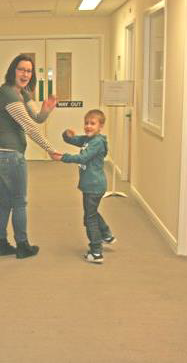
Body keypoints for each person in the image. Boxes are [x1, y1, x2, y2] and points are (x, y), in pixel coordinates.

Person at [0, 54, 58, 259]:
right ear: (12, 70)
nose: (25, 74)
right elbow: (29, 127)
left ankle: (1, 244)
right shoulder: (8, 94)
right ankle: (22, 245)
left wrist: (46, 109)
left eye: (29, 70)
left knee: (6, 201)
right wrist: (50, 149)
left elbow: (36, 117)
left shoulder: (21, 93)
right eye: (21, 69)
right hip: (8, 155)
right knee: (19, 201)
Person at [52, 109, 116, 263]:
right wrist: (66, 135)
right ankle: (106, 235)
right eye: (86, 123)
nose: (88, 126)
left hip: (94, 186)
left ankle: (96, 252)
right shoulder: (88, 139)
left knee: (89, 218)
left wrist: (62, 157)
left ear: (100, 126)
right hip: (91, 185)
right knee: (92, 212)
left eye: (92, 123)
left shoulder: (97, 142)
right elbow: (73, 140)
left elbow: (83, 157)